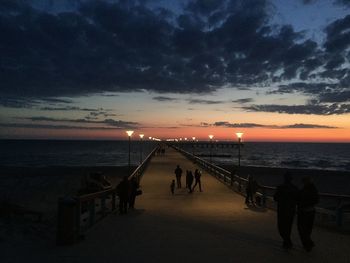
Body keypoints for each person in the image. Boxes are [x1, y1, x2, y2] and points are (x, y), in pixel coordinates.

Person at [273, 172, 299, 249]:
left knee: (281, 227)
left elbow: (275, 198)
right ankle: (287, 241)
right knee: (288, 226)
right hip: (291, 210)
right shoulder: (295, 188)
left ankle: (287, 242)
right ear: (291, 179)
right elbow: (297, 199)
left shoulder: (280, 187)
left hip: (282, 210)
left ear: (284, 178)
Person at [297, 176, 319, 252]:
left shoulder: (306, 190)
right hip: (311, 211)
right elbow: (316, 200)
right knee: (307, 229)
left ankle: (308, 243)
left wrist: (303, 203)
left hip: (304, 211)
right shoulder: (313, 189)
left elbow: (300, 198)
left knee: (302, 228)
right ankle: (307, 244)